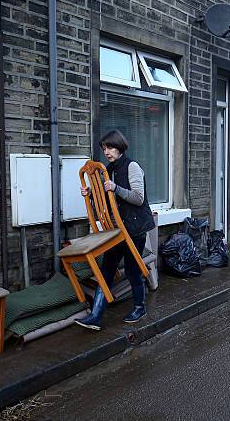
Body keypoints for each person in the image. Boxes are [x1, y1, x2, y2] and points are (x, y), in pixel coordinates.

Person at [75, 130, 155, 331]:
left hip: (135, 228)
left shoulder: (132, 166)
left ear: (119, 146)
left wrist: (115, 188)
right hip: (116, 228)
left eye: (110, 147)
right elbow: (107, 195)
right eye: (104, 148)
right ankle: (95, 315)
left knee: (132, 268)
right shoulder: (108, 170)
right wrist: (91, 193)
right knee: (107, 268)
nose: (107, 152)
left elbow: (138, 197)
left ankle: (139, 307)